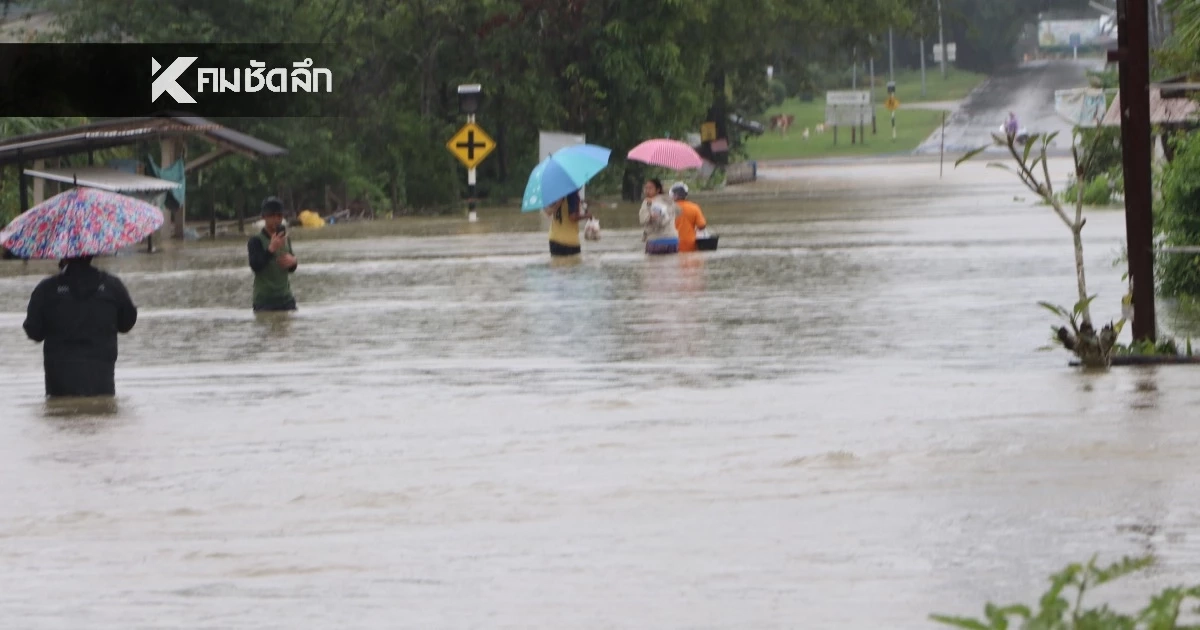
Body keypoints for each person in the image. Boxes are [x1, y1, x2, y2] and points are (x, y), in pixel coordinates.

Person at [23, 256, 138, 397]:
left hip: (59, 382)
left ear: (63, 256)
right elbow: (127, 323)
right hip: (101, 379)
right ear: (92, 253)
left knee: (60, 409)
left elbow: (34, 331)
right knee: (101, 408)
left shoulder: (46, 289)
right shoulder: (112, 286)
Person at [248, 197, 299, 312]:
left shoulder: (285, 239)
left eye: (279, 216)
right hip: (264, 302)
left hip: (286, 299)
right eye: (271, 215)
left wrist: (294, 261)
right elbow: (255, 266)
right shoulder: (256, 240)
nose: (276, 219)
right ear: (264, 217)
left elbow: (291, 268)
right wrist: (271, 249)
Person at [545, 189, 593, 257]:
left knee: (556, 262)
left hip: (553, 239)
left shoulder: (554, 193)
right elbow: (572, 217)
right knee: (573, 263)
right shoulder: (572, 193)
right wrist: (587, 216)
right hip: (569, 242)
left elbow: (548, 212)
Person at [639, 178, 679, 255]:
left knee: (653, 262)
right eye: (646, 188)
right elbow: (677, 212)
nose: (647, 191)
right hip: (673, 241)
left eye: (650, 188)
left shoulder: (647, 202)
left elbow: (643, 220)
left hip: (656, 241)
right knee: (672, 262)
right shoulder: (670, 201)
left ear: (658, 190)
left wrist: (651, 217)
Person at [670, 182, 708, 253]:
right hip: (690, 245)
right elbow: (702, 225)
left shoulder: (668, 208)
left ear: (673, 195)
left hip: (672, 245)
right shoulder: (694, 207)